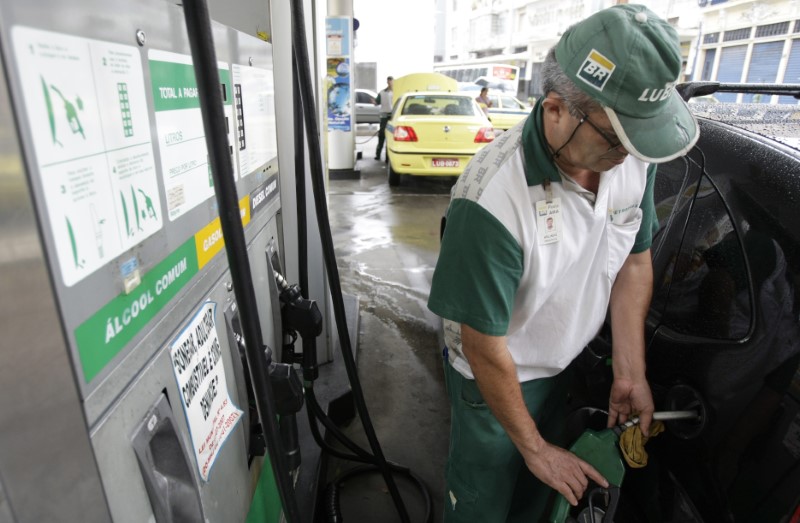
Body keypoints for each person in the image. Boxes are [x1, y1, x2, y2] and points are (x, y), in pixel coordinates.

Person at [427, 5, 699, 522]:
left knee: (542, 503)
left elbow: (633, 263)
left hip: (560, 365)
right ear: (556, 110)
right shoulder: (492, 203)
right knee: (483, 507)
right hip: (491, 382)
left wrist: (630, 370)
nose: (630, 153)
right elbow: (484, 348)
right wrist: (534, 448)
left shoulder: (630, 157)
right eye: (616, 136)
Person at [375, 76, 394, 161]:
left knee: (390, 136)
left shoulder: (397, 92)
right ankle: (378, 154)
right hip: (384, 116)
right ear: (387, 82)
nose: (390, 82)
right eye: (389, 81)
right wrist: (374, 102)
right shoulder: (382, 92)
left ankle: (388, 157)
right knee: (382, 135)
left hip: (393, 117)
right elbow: (377, 102)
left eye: (391, 81)